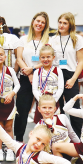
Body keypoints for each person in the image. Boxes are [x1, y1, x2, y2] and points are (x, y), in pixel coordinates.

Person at [14, 12, 49, 142]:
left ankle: (44, 140)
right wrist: (28, 73)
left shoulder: (47, 41)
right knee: (22, 111)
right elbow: (19, 58)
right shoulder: (23, 39)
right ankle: (18, 140)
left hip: (44, 78)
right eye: (37, 21)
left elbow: (49, 59)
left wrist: (33, 70)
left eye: (43, 22)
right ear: (33, 21)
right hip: (25, 77)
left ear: (45, 25)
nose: (39, 24)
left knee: (45, 110)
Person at [49, 12, 83, 137]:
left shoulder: (77, 39)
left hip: (71, 74)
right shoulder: (52, 39)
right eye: (60, 22)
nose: (61, 25)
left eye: (65, 23)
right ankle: (60, 137)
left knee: (74, 108)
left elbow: (81, 61)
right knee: (57, 108)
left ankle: (80, 141)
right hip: (55, 75)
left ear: (70, 25)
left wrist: (73, 78)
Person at [32, 44, 64, 123]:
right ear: (40, 58)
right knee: (41, 124)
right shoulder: (37, 72)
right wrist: (41, 100)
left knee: (55, 124)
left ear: (53, 57)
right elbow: (34, 89)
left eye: (48, 57)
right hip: (41, 102)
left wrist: (54, 100)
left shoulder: (58, 71)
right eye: (43, 57)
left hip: (54, 101)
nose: (45, 59)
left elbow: (60, 88)